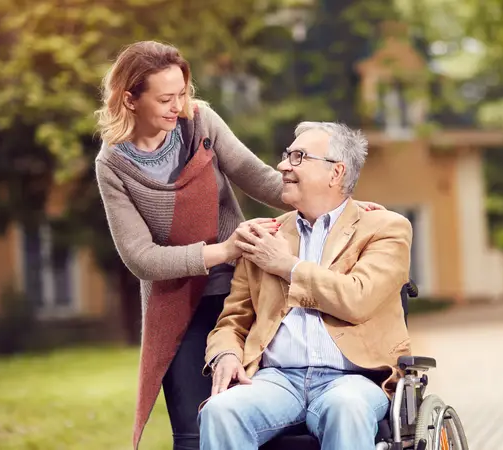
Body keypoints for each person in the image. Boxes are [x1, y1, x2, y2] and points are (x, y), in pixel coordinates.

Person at [93, 41, 382, 450]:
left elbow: (257, 176)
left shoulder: (200, 123)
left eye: (183, 93)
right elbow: (141, 258)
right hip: (178, 302)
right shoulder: (113, 165)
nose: (179, 106)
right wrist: (225, 250)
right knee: (194, 432)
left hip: (243, 284)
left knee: (270, 409)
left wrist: (338, 201)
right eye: (165, 99)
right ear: (130, 100)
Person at [198, 121, 413, 450]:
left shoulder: (385, 228)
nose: (283, 165)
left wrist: (286, 266)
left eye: (298, 157)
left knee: (347, 408)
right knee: (220, 411)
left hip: (352, 379)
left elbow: (357, 298)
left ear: (335, 172)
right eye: (286, 155)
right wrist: (225, 354)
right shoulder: (265, 236)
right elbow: (234, 320)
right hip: (276, 379)